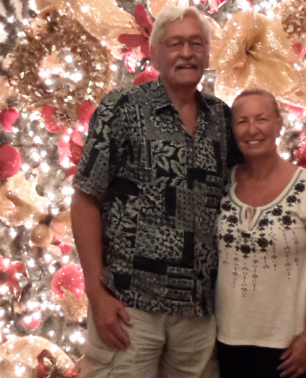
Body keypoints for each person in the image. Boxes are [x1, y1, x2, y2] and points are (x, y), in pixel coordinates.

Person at [70, 5, 241, 378]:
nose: (187, 53)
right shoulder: (122, 109)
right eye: (175, 43)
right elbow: (85, 199)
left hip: (198, 312)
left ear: (208, 53)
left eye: (197, 43)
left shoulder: (223, 119)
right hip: (129, 308)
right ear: (155, 52)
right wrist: (96, 293)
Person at [215, 89, 306, 378]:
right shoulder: (221, 184)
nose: (252, 129)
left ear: (278, 124)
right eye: (242, 121)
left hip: (286, 347)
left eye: (261, 119)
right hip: (224, 341)